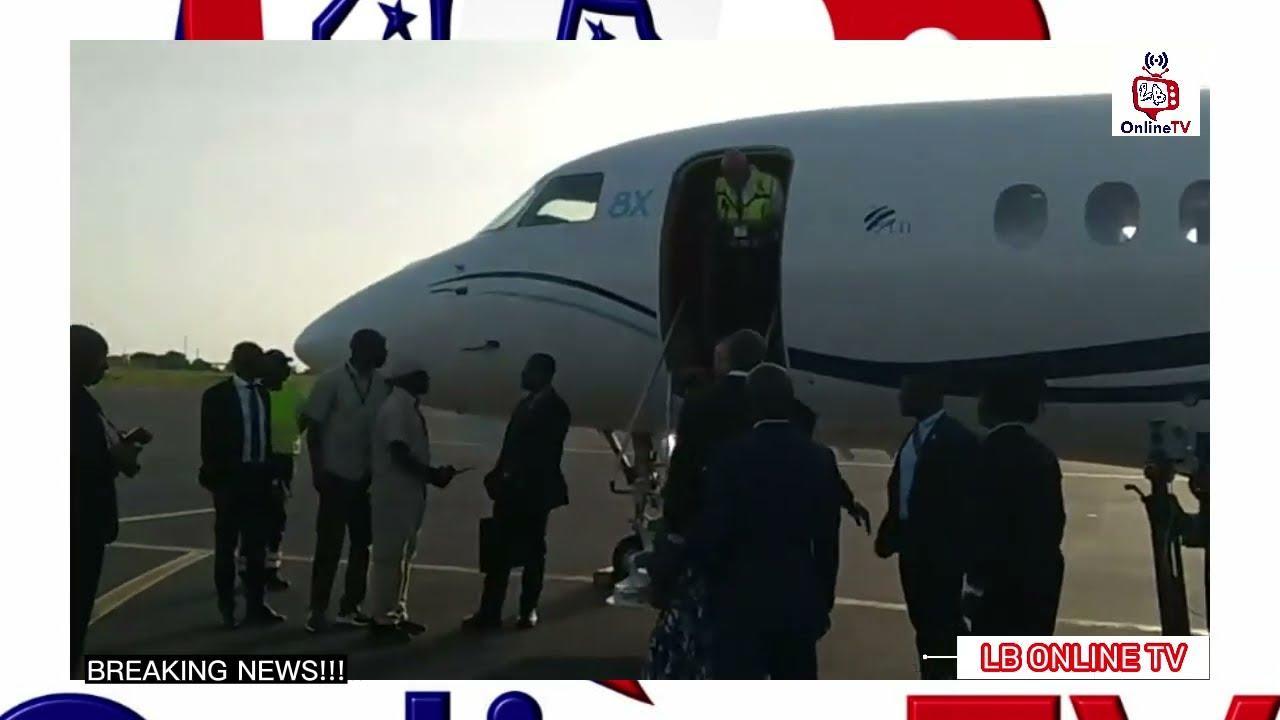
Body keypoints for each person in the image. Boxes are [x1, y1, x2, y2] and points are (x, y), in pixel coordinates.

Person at [690, 363, 842, 679]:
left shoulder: (729, 458)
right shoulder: (819, 458)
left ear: (751, 405)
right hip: (797, 599)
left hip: (741, 601)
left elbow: (715, 533)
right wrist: (821, 602)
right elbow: (827, 540)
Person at [873, 373, 979, 680]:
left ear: (926, 395)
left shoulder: (956, 439)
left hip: (940, 552)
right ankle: (934, 675)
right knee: (924, 622)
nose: (900, 398)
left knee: (943, 623)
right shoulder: (914, 436)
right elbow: (902, 488)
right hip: (912, 548)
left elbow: (965, 500)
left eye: (906, 392)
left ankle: (952, 677)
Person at [464, 353, 571, 631]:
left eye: (529, 371)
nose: (523, 375)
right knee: (498, 552)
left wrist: (514, 476)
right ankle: (490, 612)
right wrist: (497, 474)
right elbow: (510, 446)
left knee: (533, 553)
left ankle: (528, 609)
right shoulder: (525, 405)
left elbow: (545, 454)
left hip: (534, 493)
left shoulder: (557, 410)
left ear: (543, 374)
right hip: (510, 491)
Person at [71, 325, 149, 676]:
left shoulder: (83, 400)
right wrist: (115, 458)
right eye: (99, 359)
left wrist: (120, 446)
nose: (105, 367)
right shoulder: (72, 403)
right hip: (77, 526)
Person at [301, 329, 391, 632]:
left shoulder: (382, 385)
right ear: (360, 349)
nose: (385, 354)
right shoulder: (330, 381)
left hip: (366, 478)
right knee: (329, 546)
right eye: (380, 348)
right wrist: (318, 471)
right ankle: (317, 610)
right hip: (335, 476)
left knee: (362, 545)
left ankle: (350, 607)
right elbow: (313, 430)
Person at [967, 374, 1065, 636]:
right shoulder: (1043, 455)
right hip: (1040, 584)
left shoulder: (983, 454)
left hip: (999, 587)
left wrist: (975, 585)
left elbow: (981, 527)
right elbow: (1054, 523)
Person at [367, 370, 458, 641]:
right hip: (394, 492)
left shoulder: (407, 406)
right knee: (389, 557)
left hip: (408, 491)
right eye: (421, 376)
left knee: (404, 555)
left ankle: (397, 612)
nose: (427, 381)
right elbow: (399, 453)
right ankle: (383, 619)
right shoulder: (396, 408)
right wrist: (432, 475)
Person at [200, 341, 286, 627]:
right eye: (258, 359)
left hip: (258, 478)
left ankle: (256, 605)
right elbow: (209, 442)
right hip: (230, 479)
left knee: (256, 547)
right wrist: (218, 481)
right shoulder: (216, 396)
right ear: (244, 363)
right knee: (226, 546)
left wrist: (273, 476)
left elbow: (266, 438)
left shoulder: (262, 394)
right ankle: (227, 607)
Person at [238, 349, 302, 592]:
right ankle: (247, 571)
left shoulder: (292, 393)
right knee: (254, 517)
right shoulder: (256, 393)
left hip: (284, 460)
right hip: (261, 460)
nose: (287, 371)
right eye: (281, 366)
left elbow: (305, 418)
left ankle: (270, 569)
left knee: (277, 518)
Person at [710, 149, 786, 340]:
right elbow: (717, 217)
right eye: (728, 175)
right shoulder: (720, 186)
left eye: (735, 174)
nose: (731, 180)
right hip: (732, 254)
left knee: (760, 300)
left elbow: (781, 219)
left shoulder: (769, 185)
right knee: (734, 302)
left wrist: (760, 229)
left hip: (762, 252)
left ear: (745, 169)